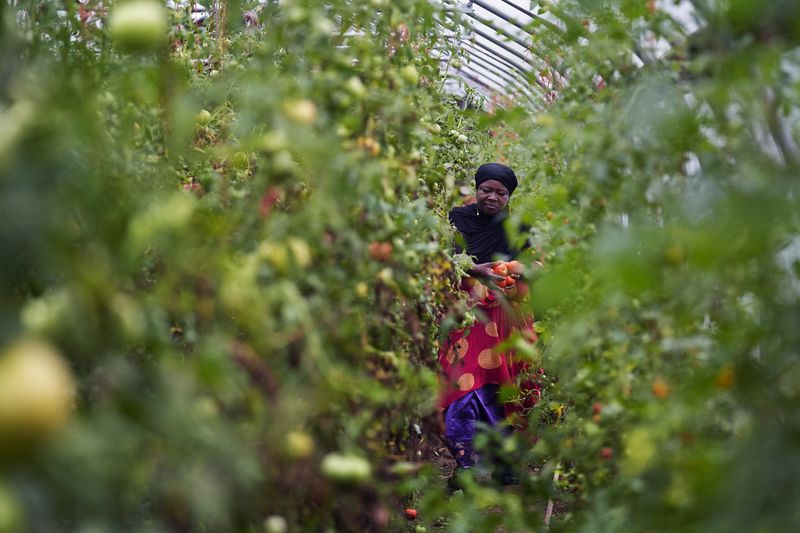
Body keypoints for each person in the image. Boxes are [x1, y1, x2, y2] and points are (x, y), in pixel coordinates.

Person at [438, 162, 539, 484]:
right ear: (476, 189)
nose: (492, 197)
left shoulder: (519, 228)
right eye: (486, 190)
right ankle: (465, 466)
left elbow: (535, 264)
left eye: (501, 192)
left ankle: (504, 463)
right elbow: (443, 260)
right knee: (462, 386)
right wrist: (476, 270)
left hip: (508, 317)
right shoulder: (457, 219)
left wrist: (515, 269)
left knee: (505, 387)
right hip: (469, 316)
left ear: (509, 196)